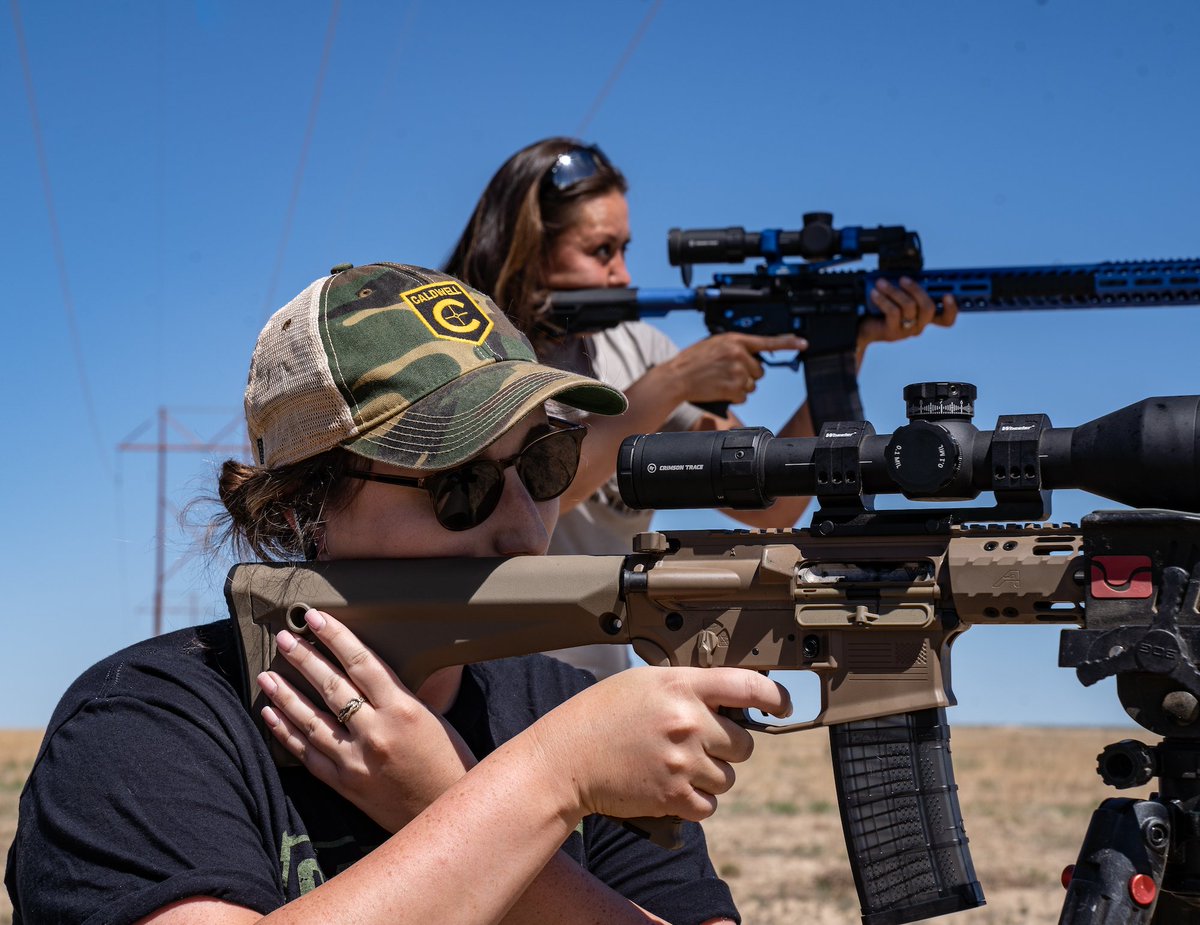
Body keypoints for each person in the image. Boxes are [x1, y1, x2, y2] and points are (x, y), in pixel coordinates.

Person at [5, 263, 791, 925]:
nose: (525, 529)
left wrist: (451, 799)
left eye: (545, 464)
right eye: (462, 484)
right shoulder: (144, 726)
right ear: (298, 509)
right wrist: (544, 784)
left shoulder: (563, 708)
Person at [445, 137, 959, 678]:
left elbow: (770, 507)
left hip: (590, 682)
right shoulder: (467, 349)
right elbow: (539, 496)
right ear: (528, 248)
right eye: (601, 251)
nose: (622, 274)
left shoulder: (636, 349)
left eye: (623, 249)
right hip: (481, 673)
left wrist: (846, 345)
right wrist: (673, 382)